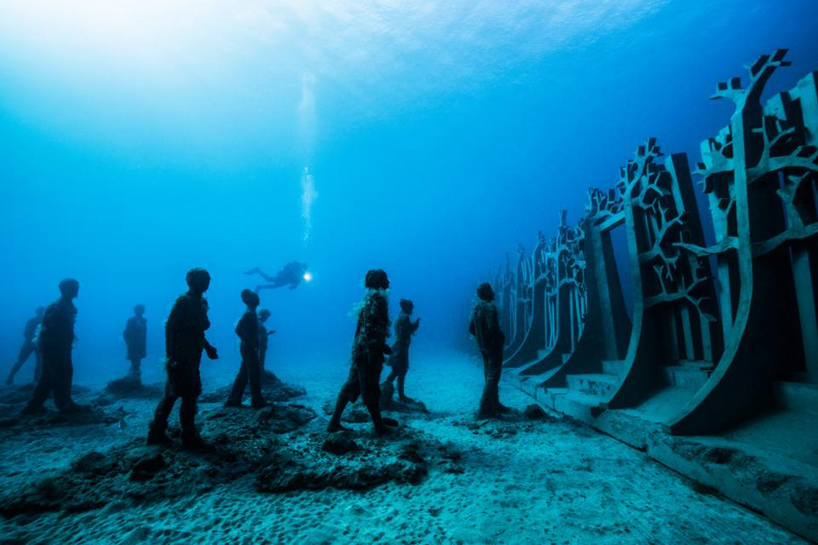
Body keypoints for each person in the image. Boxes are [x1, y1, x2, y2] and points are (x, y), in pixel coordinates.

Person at [147, 268, 219, 449]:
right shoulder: (183, 302)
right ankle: (170, 433)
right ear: (193, 282)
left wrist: (208, 347)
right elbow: (170, 328)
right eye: (204, 279)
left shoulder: (201, 302)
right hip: (181, 357)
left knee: (189, 394)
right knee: (175, 394)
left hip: (193, 357)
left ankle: (183, 432)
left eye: (208, 279)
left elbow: (198, 331)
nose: (208, 282)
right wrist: (170, 357)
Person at [327, 269, 398, 435]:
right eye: (386, 279)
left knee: (352, 384)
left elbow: (362, 328)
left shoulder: (368, 298)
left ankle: (334, 422)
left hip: (361, 349)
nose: (389, 282)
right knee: (371, 386)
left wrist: (361, 347)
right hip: (368, 351)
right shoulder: (378, 298)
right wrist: (379, 346)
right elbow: (373, 327)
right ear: (379, 281)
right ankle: (379, 426)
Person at [23, 279, 82, 414]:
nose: (77, 290)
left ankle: (36, 405)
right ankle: (62, 403)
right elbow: (48, 329)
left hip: (60, 346)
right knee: (60, 373)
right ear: (66, 289)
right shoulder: (58, 306)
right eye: (74, 287)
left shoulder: (64, 305)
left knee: (51, 375)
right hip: (56, 347)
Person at [468, 282, 510, 418]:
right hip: (493, 346)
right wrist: (500, 337)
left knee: (488, 374)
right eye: (491, 290)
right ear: (487, 292)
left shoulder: (477, 308)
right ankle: (485, 408)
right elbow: (493, 327)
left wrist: (482, 339)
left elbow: (471, 328)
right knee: (493, 376)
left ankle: (495, 404)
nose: (493, 292)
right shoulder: (490, 308)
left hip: (483, 346)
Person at [225, 290, 266, 409]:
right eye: (255, 296)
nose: (258, 298)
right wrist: (247, 341)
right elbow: (237, 329)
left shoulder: (252, 313)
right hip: (248, 348)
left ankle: (234, 399)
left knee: (244, 373)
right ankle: (256, 401)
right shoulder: (248, 313)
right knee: (255, 373)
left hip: (249, 347)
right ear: (248, 300)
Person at [384, 299, 420, 402]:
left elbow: (403, 332)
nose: (412, 309)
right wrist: (415, 325)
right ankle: (400, 395)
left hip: (399, 347)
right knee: (401, 370)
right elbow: (405, 333)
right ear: (406, 307)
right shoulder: (404, 318)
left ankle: (387, 390)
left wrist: (413, 326)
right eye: (411, 307)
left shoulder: (401, 316)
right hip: (401, 348)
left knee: (396, 370)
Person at [6, 306, 45, 385]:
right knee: (38, 362)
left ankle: (10, 378)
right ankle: (35, 380)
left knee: (22, 361)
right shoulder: (43, 321)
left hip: (30, 343)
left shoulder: (33, 321)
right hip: (36, 343)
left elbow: (25, 333)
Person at [244, 261, 308, 292]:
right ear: (302, 266)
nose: (303, 269)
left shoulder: (300, 274)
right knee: (269, 279)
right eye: (303, 268)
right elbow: (293, 274)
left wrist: (294, 286)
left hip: (286, 281)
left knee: (273, 286)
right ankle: (258, 270)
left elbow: (296, 283)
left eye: (304, 269)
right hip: (284, 277)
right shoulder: (296, 267)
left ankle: (260, 287)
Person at [123, 304, 147, 382]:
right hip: (134, 345)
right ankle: (133, 379)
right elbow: (126, 332)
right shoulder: (132, 320)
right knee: (135, 362)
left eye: (141, 309)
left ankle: (133, 379)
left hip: (139, 345)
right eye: (139, 309)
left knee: (137, 362)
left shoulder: (143, 320)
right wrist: (129, 342)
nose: (141, 311)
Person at [258, 309, 278, 384]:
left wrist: (268, 333)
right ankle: (261, 379)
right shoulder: (259, 324)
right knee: (260, 362)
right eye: (266, 317)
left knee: (260, 362)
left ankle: (261, 377)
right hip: (260, 348)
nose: (266, 319)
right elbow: (257, 337)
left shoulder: (258, 323)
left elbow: (260, 335)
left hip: (261, 348)